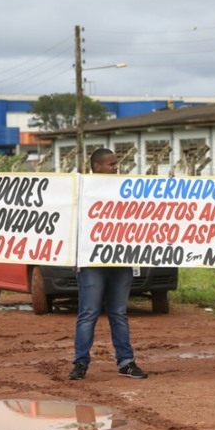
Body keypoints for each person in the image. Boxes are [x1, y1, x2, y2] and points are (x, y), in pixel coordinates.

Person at [68, 148, 147, 380]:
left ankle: (126, 362)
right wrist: (75, 256)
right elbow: (73, 223)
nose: (116, 167)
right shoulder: (81, 190)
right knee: (88, 313)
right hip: (91, 261)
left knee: (119, 313)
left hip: (121, 259)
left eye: (116, 163)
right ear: (97, 166)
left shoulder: (126, 188)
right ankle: (80, 363)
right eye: (111, 164)